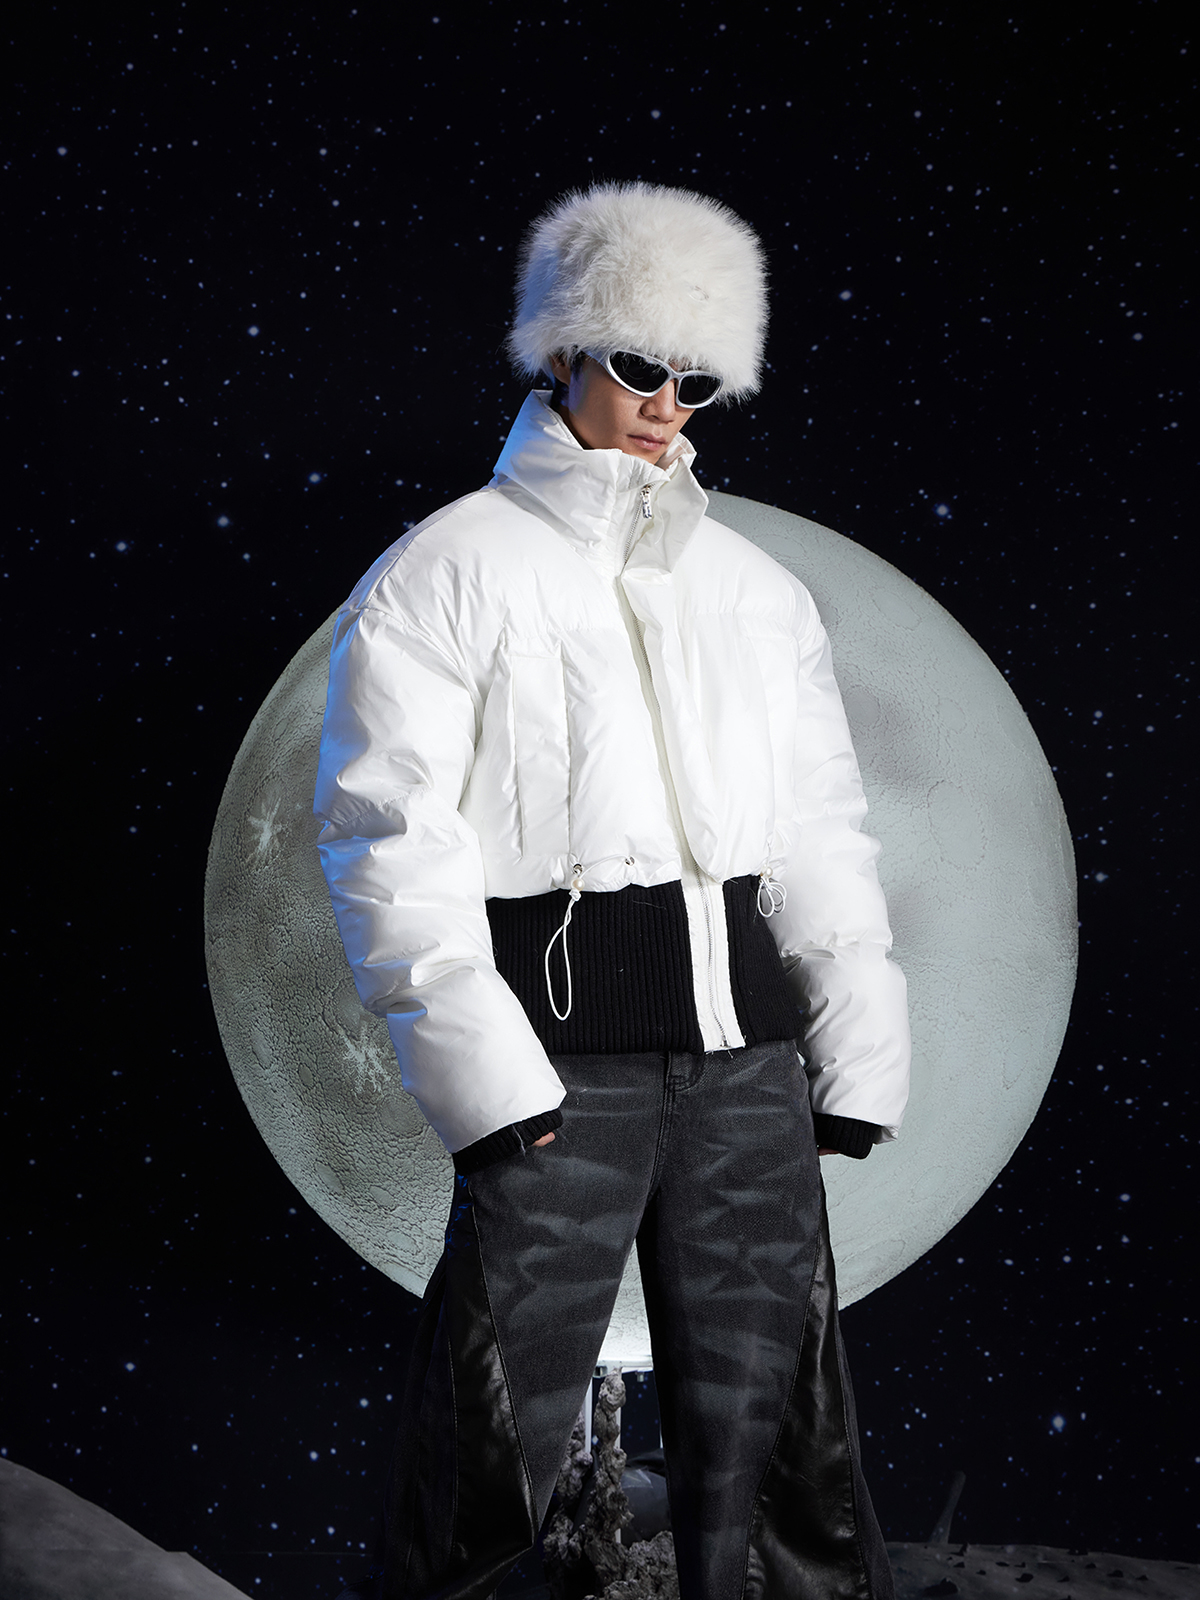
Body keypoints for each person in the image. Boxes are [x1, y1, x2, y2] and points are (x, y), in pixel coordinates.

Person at [314, 182, 910, 1600]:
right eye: (640, 363)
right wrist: (483, 1077)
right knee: (488, 1438)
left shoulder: (755, 590)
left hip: (749, 1068)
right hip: (555, 1073)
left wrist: (858, 1041)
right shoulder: (447, 569)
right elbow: (387, 835)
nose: (664, 405)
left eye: (695, 381)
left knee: (785, 1451)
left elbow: (821, 827)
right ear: (566, 349)